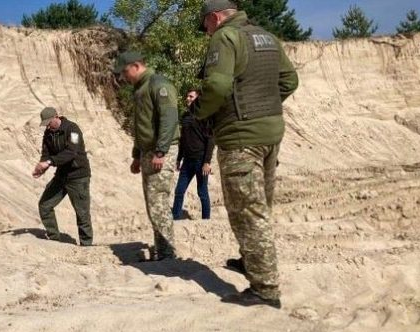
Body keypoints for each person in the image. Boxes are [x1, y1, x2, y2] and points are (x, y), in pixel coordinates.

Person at [194, 0, 299, 308]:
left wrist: (199, 110)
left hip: (241, 137)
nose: (206, 32)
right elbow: (290, 81)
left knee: (248, 211)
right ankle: (251, 260)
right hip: (271, 133)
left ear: (214, 18)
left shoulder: (225, 37)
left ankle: (265, 289)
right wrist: (265, 104)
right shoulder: (265, 36)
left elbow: (217, 85)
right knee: (259, 204)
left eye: (206, 26)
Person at [113, 51, 180, 261]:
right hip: (148, 152)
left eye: (124, 73)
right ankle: (162, 251)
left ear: (135, 66)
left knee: (158, 201)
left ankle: (167, 255)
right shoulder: (140, 88)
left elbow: (169, 118)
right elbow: (141, 126)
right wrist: (136, 155)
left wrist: (160, 151)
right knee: (153, 203)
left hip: (161, 152)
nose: (123, 78)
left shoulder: (158, 84)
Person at [32, 107, 93, 246]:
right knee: (45, 205)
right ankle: (54, 239)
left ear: (56, 117)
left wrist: (49, 162)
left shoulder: (73, 129)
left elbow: (72, 152)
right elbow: (46, 153)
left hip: (78, 176)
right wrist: (42, 167)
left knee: (82, 213)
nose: (47, 126)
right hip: (61, 176)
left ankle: (86, 245)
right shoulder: (48, 134)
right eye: (45, 124)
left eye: (49, 123)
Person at [173, 89, 214, 220]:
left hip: (201, 161)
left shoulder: (205, 116)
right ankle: (176, 218)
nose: (188, 98)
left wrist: (207, 162)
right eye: (187, 96)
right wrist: (179, 158)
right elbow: (183, 140)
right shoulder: (185, 116)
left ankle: (206, 221)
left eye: (191, 96)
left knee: (202, 192)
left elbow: (211, 140)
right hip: (187, 161)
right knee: (179, 191)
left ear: (198, 98)